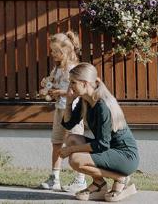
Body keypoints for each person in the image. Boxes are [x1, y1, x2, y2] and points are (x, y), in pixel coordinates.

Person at [59, 62, 140, 202]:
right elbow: (68, 124)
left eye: (73, 82)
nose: (70, 86)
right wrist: (68, 102)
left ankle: (120, 178)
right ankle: (99, 184)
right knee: (71, 138)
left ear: (84, 83)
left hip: (125, 156)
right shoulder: (85, 101)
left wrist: (71, 150)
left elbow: (102, 145)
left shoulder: (103, 106)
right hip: (109, 150)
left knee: (76, 159)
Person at [37, 31, 87, 193]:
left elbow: (75, 90)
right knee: (57, 143)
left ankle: (80, 180)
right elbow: (54, 84)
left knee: (75, 143)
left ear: (64, 52)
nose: (52, 54)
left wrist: (59, 92)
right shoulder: (57, 68)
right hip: (60, 109)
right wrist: (47, 84)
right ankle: (55, 179)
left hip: (73, 111)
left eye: (54, 51)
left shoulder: (73, 69)